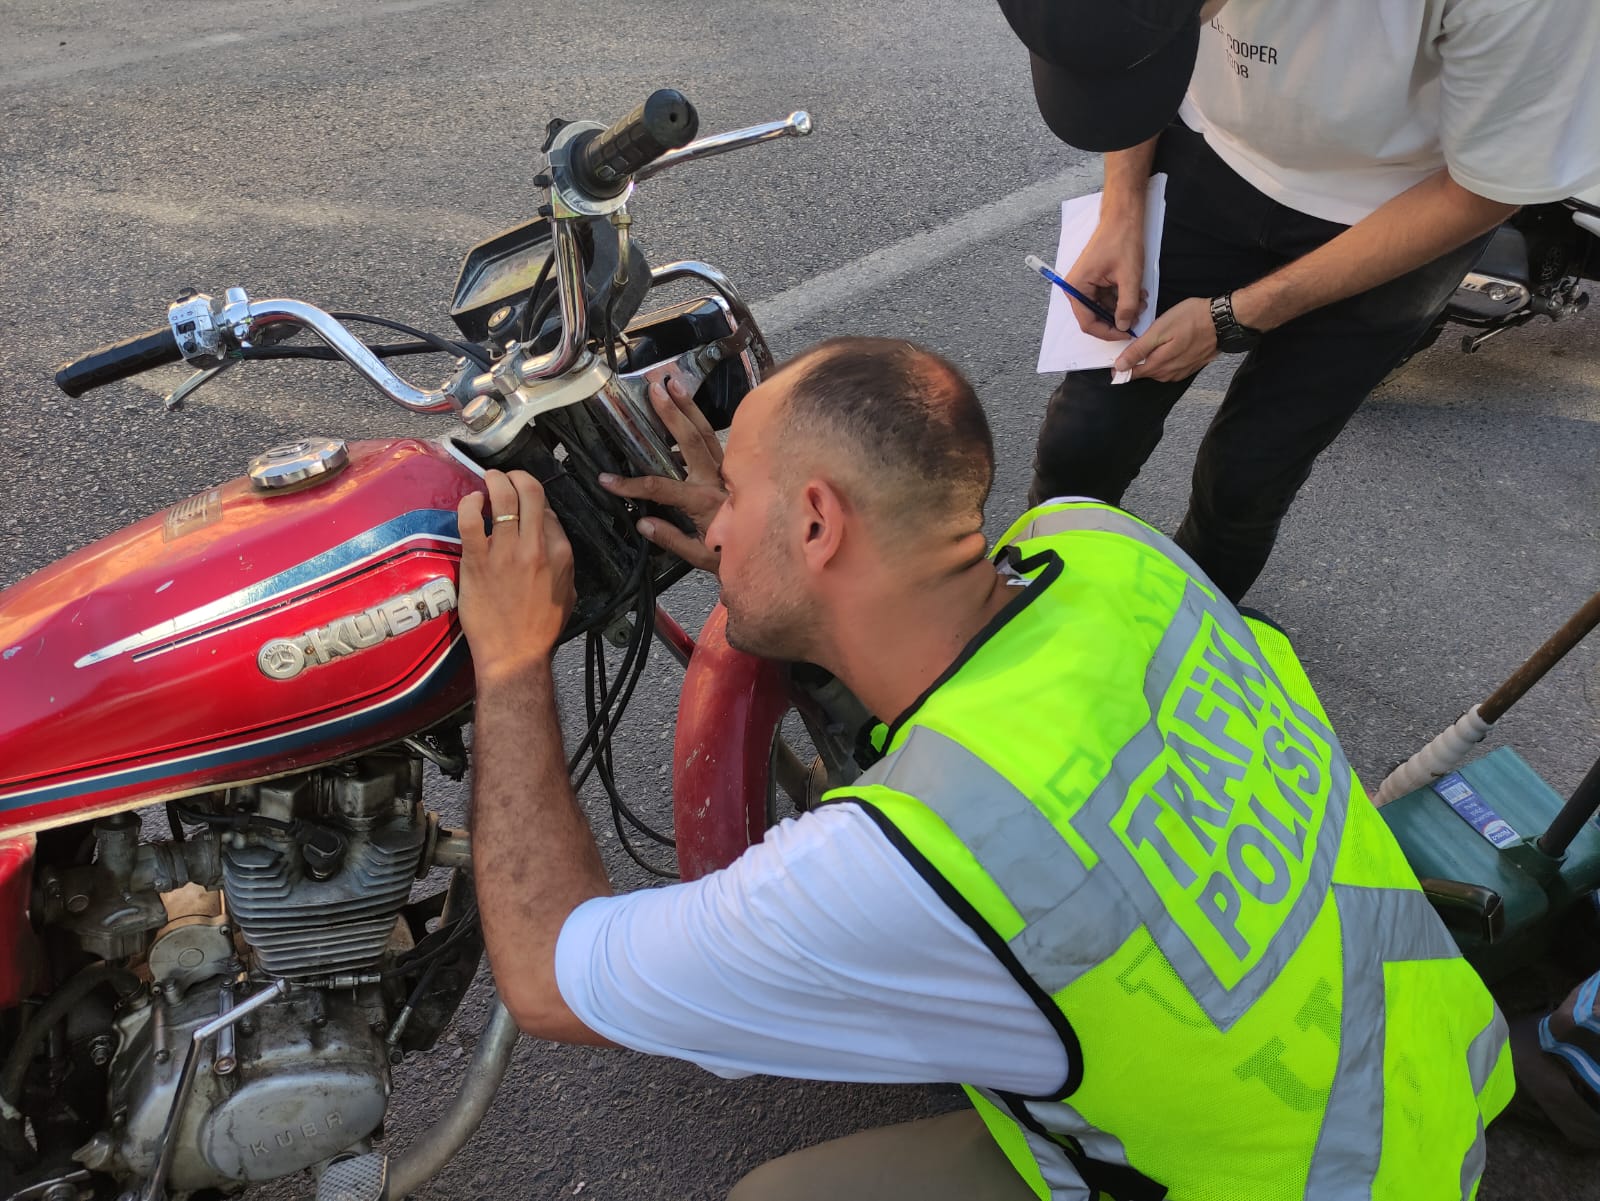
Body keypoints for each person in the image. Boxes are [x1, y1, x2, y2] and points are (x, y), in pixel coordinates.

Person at [455, 337, 1511, 1200]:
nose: (713, 516)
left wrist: (510, 660)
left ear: (818, 521)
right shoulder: (1102, 547)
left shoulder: (908, 857)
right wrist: (769, 563)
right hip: (1428, 1096)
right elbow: (959, 678)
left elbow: (552, 975)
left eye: (732, 492)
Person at [998, 0, 1600, 602]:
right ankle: (1039, 611)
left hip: (1402, 211)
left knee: (1245, 478)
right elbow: (1125, 58)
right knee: (1081, 439)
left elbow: (1483, 193)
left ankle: (1186, 642)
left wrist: (1233, 318)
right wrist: (1121, 209)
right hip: (1213, 158)